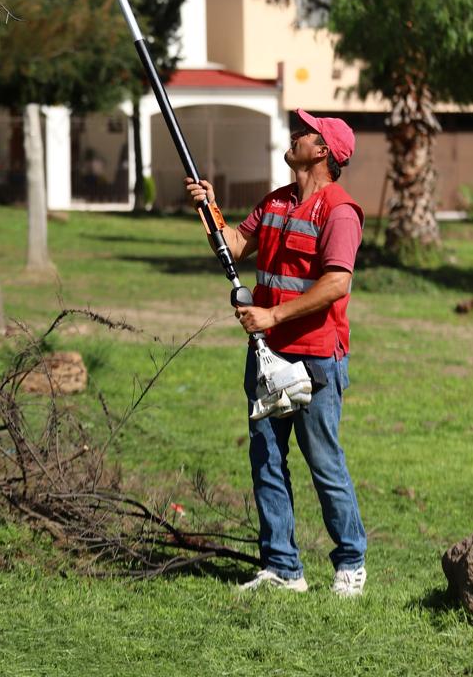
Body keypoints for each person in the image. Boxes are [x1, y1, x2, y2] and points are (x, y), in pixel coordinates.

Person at [186, 109, 367, 597]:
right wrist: (210, 208)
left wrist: (272, 316)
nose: (294, 136)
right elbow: (235, 243)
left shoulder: (340, 211)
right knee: (266, 457)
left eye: (304, 133)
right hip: (267, 354)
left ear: (323, 151)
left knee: (322, 460)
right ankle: (283, 568)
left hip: (316, 357)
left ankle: (351, 563)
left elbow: (335, 284)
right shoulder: (277, 203)